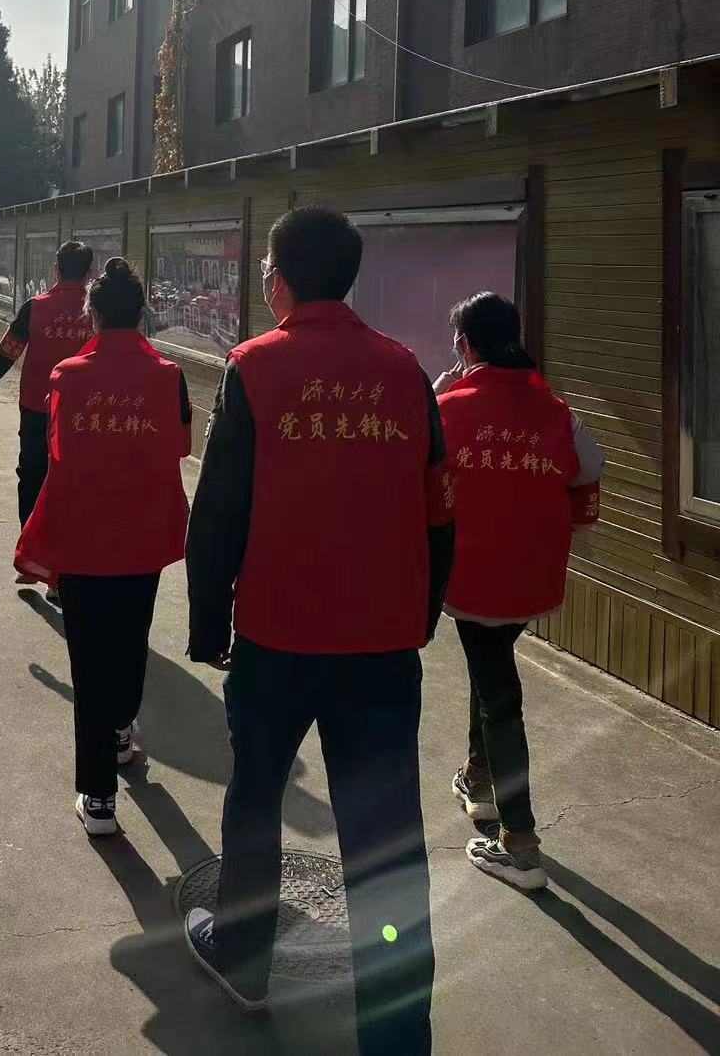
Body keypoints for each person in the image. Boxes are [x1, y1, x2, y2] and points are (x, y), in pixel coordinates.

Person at [184, 205, 454, 1051]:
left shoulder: (254, 366)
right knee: (385, 839)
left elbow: (217, 511)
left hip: (278, 638)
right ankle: (398, 1030)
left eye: (267, 269)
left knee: (257, 798)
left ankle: (244, 955)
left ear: (280, 281)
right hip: (382, 647)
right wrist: (421, 612)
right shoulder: (406, 371)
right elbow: (439, 511)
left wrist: (208, 621)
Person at [15, 258, 192, 836]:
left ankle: (97, 797)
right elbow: (180, 446)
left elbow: (57, 453)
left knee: (88, 660)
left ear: (92, 314)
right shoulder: (169, 375)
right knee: (132, 637)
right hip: (141, 534)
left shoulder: (66, 377)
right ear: (141, 314)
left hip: (84, 537)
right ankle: (120, 730)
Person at [434, 291, 603, 893]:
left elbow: (416, 465)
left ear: (465, 344)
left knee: (499, 694)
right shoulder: (556, 410)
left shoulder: (449, 407)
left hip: (471, 577)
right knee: (491, 668)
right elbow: (589, 468)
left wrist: (436, 394)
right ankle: (479, 778)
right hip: (532, 576)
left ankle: (520, 842)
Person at [0, 240, 94, 594]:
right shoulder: (97, 311)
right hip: (85, 415)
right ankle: (66, 570)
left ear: (56, 269)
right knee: (73, 485)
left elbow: (8, 352)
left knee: (34, 480)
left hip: (38, 410)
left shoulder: (35, 308)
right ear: (89, 272)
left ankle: (34, 561)